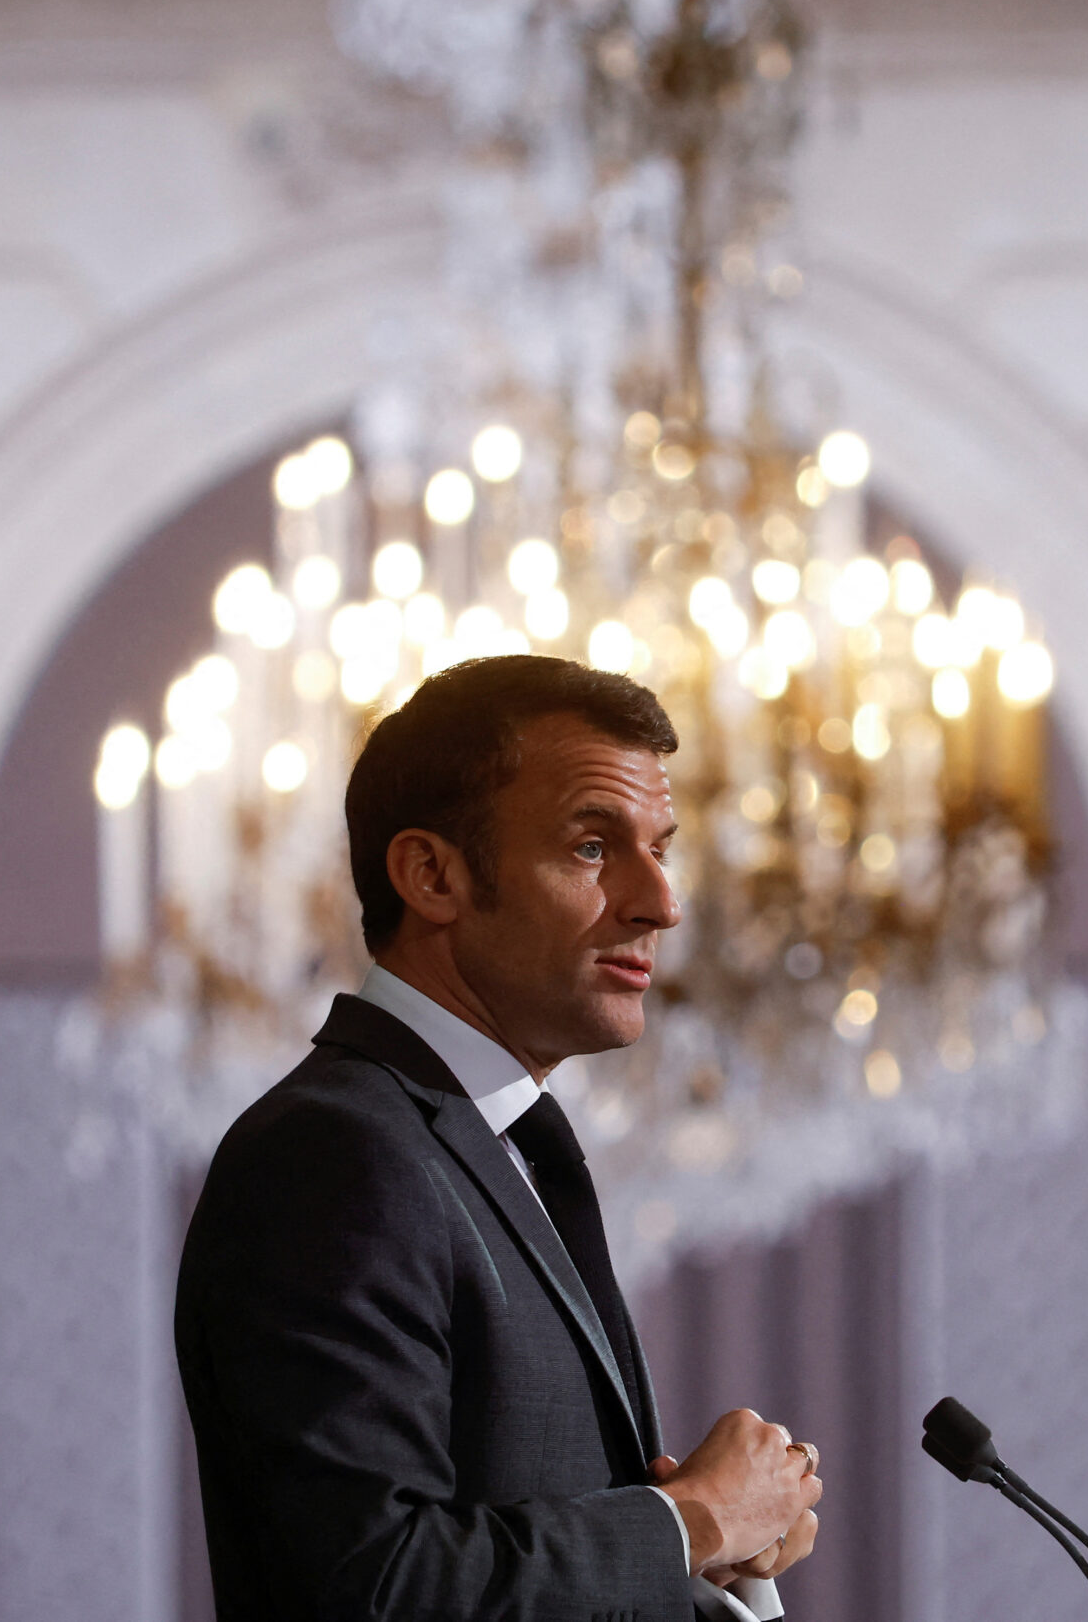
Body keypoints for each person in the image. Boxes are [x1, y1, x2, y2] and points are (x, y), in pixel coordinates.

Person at [174, 654, 824, 1622]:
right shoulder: (334, 1154)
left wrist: (709, 1550)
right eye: (594, 846)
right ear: (432, 874)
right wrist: (688, 1519)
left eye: (662, 846)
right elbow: (372, 1585)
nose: (661, 901)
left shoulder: (488, 1143)